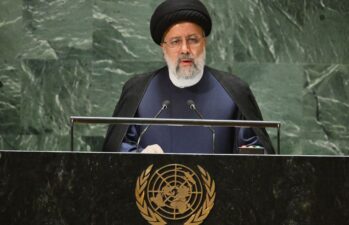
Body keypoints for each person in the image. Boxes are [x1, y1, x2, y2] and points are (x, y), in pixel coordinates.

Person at [102, 0, 275, 154]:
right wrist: (140, 156)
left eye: (193, 40)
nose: (185, 49)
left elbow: (256, 157)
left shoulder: (235, 91)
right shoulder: (138, 90)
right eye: (175, 41)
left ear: (204, 42)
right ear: (163, 47)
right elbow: (116, 150)